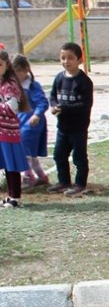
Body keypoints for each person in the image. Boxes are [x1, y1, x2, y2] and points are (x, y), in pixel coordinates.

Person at [48, 42, 93, 197]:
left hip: (78, 128)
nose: (66, 61)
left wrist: (64, 108)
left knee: (79, 157)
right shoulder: (59, 78)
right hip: (63, 127)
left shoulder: (84, 81)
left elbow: (85, 104)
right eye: (63, 58)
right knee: (59, 155)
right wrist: (53, 106)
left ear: (79, 60)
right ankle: (64, 181)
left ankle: (80, 184)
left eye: (70, 58)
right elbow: (53, 95)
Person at [12, 54, 50, 191]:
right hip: (20, 122)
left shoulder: (33, 86)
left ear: (26, 70)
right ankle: (42, 176)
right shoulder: (13, 86)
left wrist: (37, 114)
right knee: (30, 153)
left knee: (24, 149)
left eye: (18, 72)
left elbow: (43, 102)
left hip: (32, 123)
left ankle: (28, 177)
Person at [0, 49, 28, 208]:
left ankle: (15, 197)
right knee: (7, 165)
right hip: (2, 131)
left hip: (9, 132)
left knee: (12, 166)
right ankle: (10, 195)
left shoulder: (9, 85)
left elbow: (11, 108)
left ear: (6, 65)